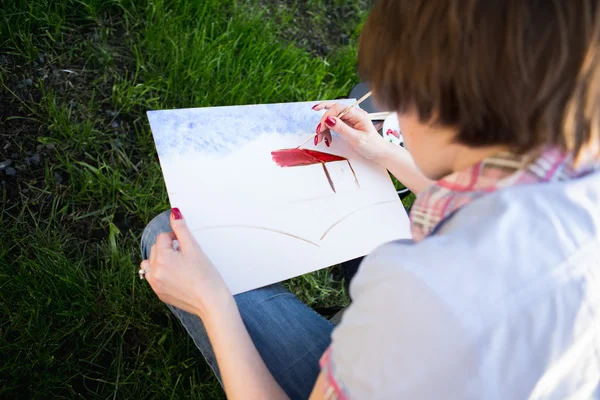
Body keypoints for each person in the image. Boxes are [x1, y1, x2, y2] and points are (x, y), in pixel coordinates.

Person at [139, 0, 600, 398]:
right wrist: (385, 154)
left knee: (169, 235)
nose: (385, 108)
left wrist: (211, 304)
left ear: (436, 107)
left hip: (415, 348)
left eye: (395, 98)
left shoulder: (422, 292)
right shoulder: (580, 168)